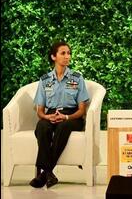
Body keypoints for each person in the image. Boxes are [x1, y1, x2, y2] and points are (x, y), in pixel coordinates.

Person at [30, 41, 89, 188]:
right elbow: (40, 111)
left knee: (63, 126)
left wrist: (67, 117)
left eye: (69, 53)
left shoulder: (77, 78)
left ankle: (44, 173)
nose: (67, 56)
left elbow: (82, 110)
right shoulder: (45, 80)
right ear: (53, 56)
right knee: (41, 127)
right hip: (51, 115)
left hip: (72, 116)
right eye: (63, 53)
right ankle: (49, 174)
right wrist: (47, 117)